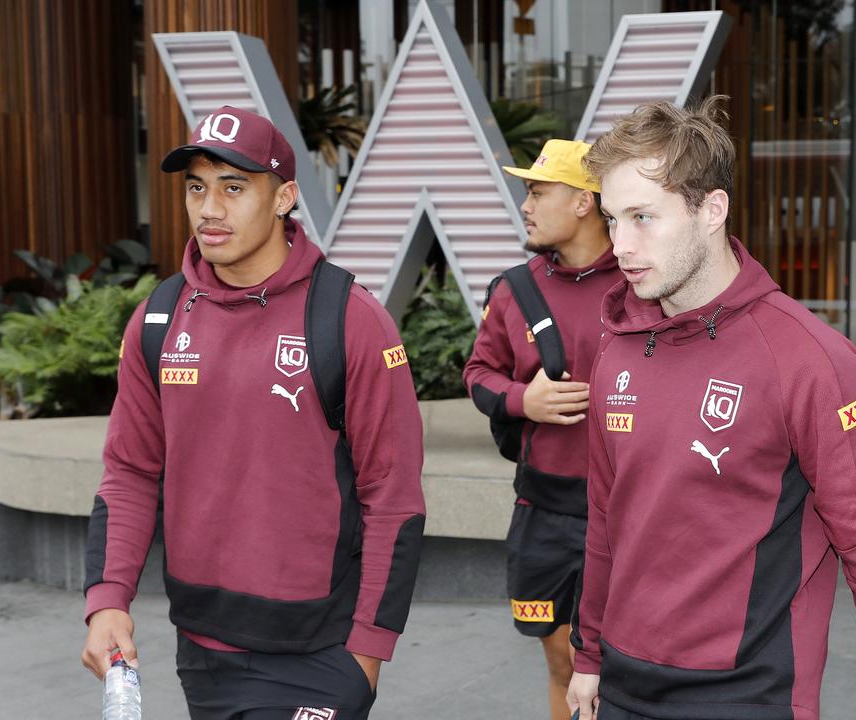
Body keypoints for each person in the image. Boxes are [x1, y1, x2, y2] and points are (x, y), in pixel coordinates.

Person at [566, 98, 856, 720]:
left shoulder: (811, 359)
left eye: (642, 217)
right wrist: (588, 656)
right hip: (624, 687)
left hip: (749, 696)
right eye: (611, 220)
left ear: (712, 209)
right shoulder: (619, 346)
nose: (620, 246)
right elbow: (606, 518)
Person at [80, 105, 427, 720]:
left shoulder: (349, 318)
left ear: (284, 197)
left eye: (233, 187)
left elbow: (392, 497)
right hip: (202, 646)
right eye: (197, 187)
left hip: (320, 653)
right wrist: (108, 600)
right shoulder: (158, 319)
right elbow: (130, 473)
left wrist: (367, 654)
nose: (210, 209)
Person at [462, 139, 617, 720]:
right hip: (542, 509)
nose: (525, 204)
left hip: (628, 512)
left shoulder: (641, 284)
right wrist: (526, 399)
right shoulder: (513, 289)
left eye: (537, 190)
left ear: (584, 201)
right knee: (563, 663)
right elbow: (478, 374)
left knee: (623, 668)